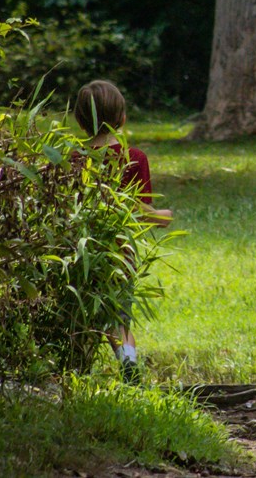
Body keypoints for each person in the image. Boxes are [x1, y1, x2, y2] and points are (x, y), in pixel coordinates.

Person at [74, 79, 173, 384]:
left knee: (82, 313)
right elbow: (141, 212)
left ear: (79, 120)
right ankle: (128, 361)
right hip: (121, 253)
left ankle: (74, 369)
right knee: (119, 316)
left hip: (80, 250)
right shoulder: (134, 157)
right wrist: (164, 215)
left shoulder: (73, 158)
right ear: (122, 118)